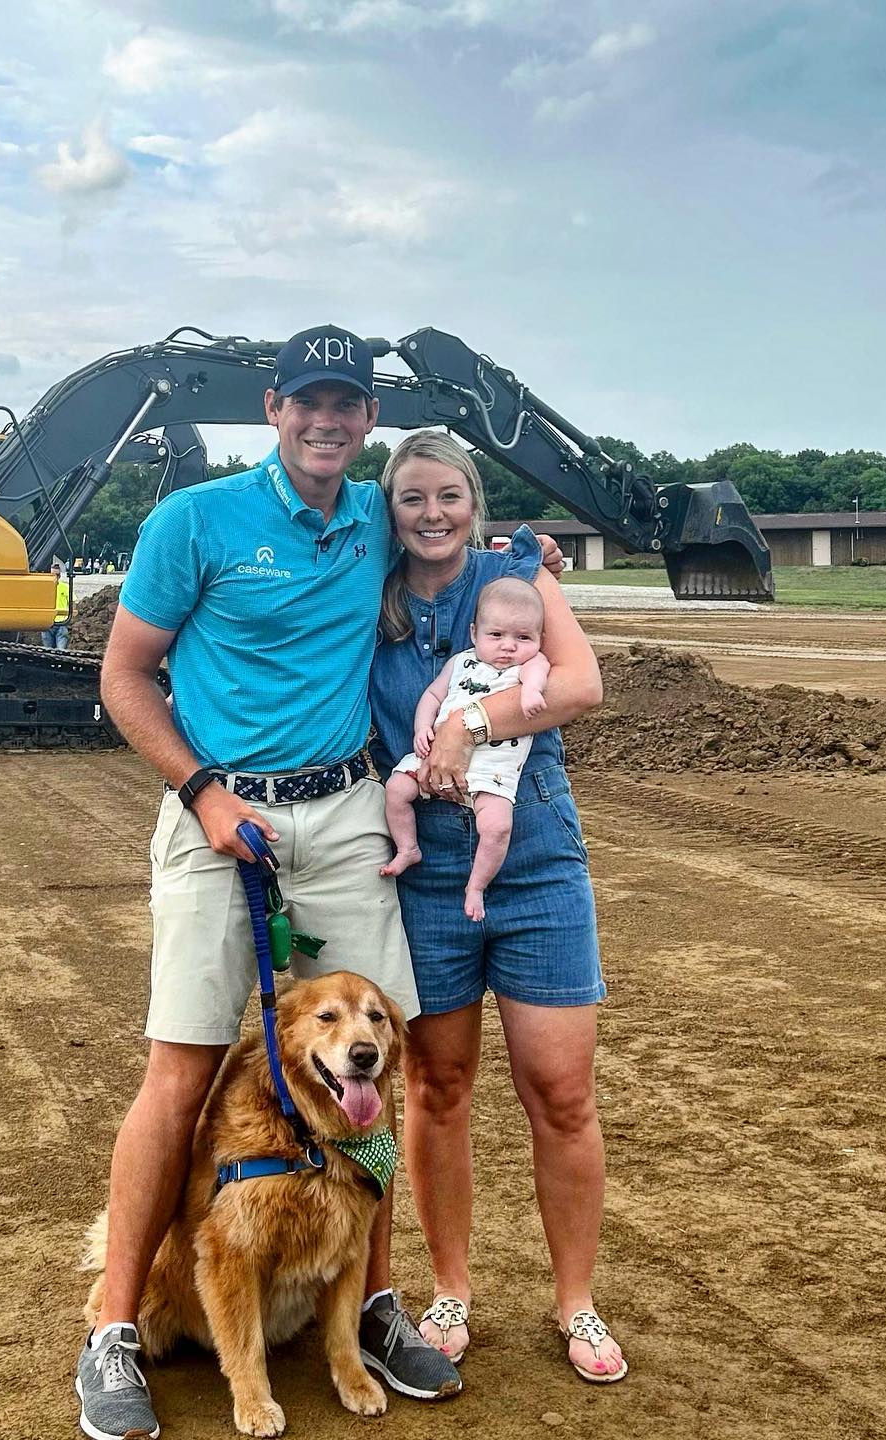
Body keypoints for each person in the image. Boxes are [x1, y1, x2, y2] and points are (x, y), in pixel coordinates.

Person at [81, 325, 463, 1440]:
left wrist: (524, 558)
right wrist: (202, 792)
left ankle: (374, 1302)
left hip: (344, 814)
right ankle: (112, 1328)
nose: (328, 421)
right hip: (220, 813)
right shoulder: (193, 521)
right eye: (310, 402)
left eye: (348, 404)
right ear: (274, 406)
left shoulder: (371, 519)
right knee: (183, 1071)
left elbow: (453, 546)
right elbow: (125, 671)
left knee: (376, 1059)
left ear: (367, 419)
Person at [368, 430, 627, 1383]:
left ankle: (577, 1304)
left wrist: (471, 723)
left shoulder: (519, 581)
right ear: (389, 511)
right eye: (412, 500)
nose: (432, 515)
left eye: (449, 497)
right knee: (437, 1089)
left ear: (475, 503)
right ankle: (450, 1288)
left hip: (536, 860)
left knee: (560, 1093)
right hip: (420, 871)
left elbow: (580, 684)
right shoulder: (368, 588)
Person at [381, 577, 550, 921]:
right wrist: (421, 728)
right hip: (434, 757)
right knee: (396, 789)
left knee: (497, 827)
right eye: (496, 635)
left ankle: (476, 886)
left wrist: (532, 691)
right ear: (474, 633)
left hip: (492, 773)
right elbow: (432, 695)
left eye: (523, 637)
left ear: (538, 640)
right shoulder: (461, 663)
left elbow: (540, 671)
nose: (508, 647)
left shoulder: (527, 666)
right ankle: (408, 847)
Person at [42, 561, 71, 649]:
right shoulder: (44, 588)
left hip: (62, 623)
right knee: (47, 651)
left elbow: (72, 603)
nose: (55, 577)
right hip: (47, 623)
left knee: (61, 651)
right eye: (52, 575)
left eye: (57, 575)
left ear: (59, 576)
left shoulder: (65, 587)